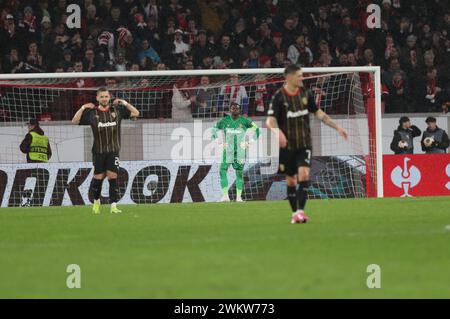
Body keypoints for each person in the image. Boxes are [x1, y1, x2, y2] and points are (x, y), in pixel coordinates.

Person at [266, 64, 348, 224]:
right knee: (291, 180)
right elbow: (270, 120)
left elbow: (318, 113)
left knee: (304, 175)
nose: (302, 78)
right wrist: (278, 132)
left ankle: (301, 212)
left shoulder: (306, 94)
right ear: (289, 77)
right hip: (287, 146)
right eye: (299, 75)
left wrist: (337, 126)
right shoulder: (279, 96)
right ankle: (294, 212)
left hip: (304, 143)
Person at [71, 87, 140, 214]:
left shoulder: (117, 110)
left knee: (112, 177)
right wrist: (82, 107)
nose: (104, 99)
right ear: (97, 98)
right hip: (98, 151)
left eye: (106, 96)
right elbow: (74, 121)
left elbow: (136, 113)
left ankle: (113, 206)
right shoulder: (92, 113)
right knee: (98, 178)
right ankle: (96, 202)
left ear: (109, 97)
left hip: (113, 150)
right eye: (101, 97)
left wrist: (124, 102)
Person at [211, 102, 260, 202]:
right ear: (230, 110)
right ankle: (225, 196)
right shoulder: (224, 121)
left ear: (239, 110)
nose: (235, 110)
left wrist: (250, 142)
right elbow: (213, 129)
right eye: (233, 108)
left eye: (237, 108)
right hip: (228, 151)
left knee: (239, 173)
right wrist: (219, 142)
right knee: (222, 170)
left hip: (240, 152)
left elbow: (258, 130)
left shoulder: (245, 121)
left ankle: (238, 197)